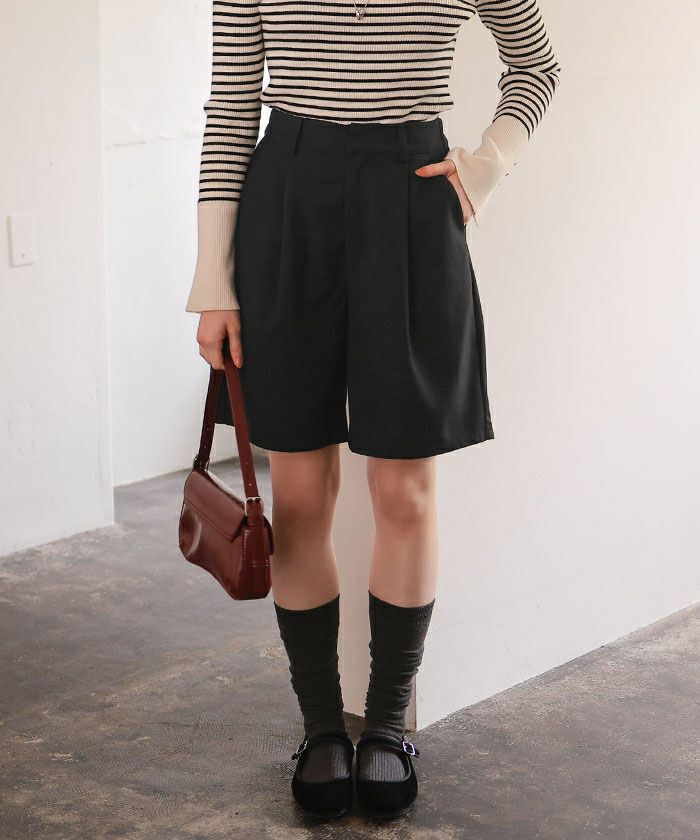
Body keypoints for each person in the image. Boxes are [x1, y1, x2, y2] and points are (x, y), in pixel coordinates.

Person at [187, 0, 560, 819]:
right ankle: (322, 726)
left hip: (413, 197)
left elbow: (536, 63)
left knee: (404, 492)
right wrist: (213, 281)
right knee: (300, 495)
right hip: (286, 201)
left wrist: (488, 165)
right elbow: (232, 104)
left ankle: (387, 725)